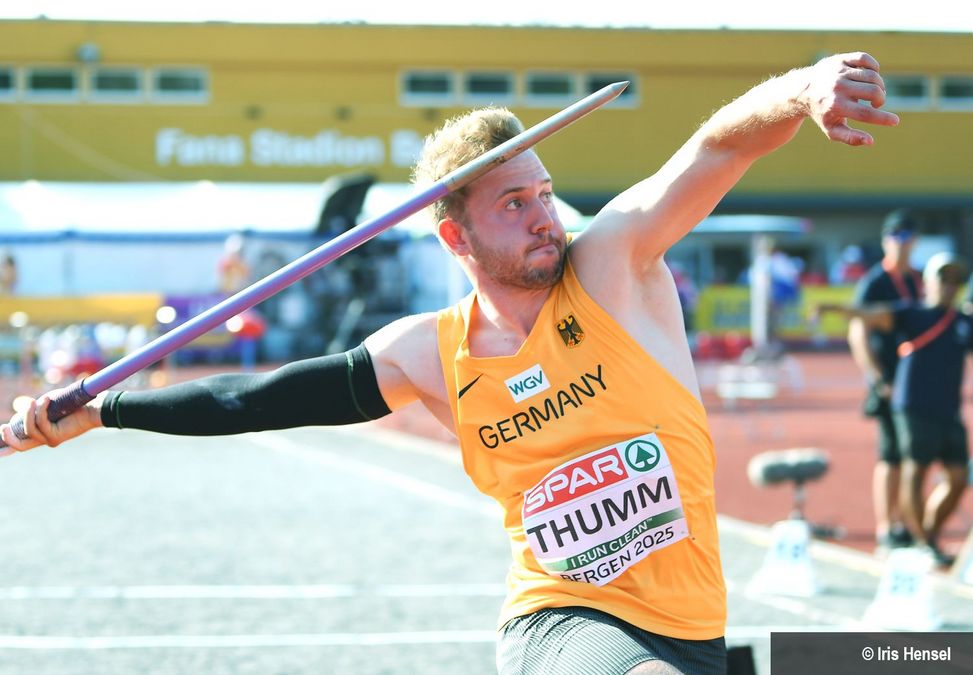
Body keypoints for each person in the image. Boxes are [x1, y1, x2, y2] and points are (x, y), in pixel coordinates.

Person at [3, 52, 898, 674]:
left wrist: (805, 86)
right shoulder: (428, 352)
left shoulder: (613, 264)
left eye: (545, 191)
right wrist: (101, 409)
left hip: (700, 627)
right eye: (514, 203)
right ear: (455, 233)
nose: (545, 214)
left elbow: (719, 147)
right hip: (566, 625)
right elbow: (252, 398)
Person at [818, 252, 971, 568]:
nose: (950, 285)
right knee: (915, 471)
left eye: (957, 280)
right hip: (914, 407)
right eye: (944, 278)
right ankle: (922, 541)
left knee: (958, 476)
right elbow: (870, 314)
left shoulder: (963, 323)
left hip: (949, 411)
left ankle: (926, 533)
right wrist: (833, 308)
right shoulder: (912, 314)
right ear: (928, 282)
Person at [847, 210, 923, 552]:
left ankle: (906, 521)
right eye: (894, 238)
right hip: (890, 379)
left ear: (914, 241)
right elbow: (857, 331)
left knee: (914, 457)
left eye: (905, 237)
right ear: (884, 242)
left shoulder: (919, 280)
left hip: (917, 380)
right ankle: (884, 527)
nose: (900, 244)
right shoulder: (876, 282)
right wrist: (877, 377)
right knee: (890, 456)